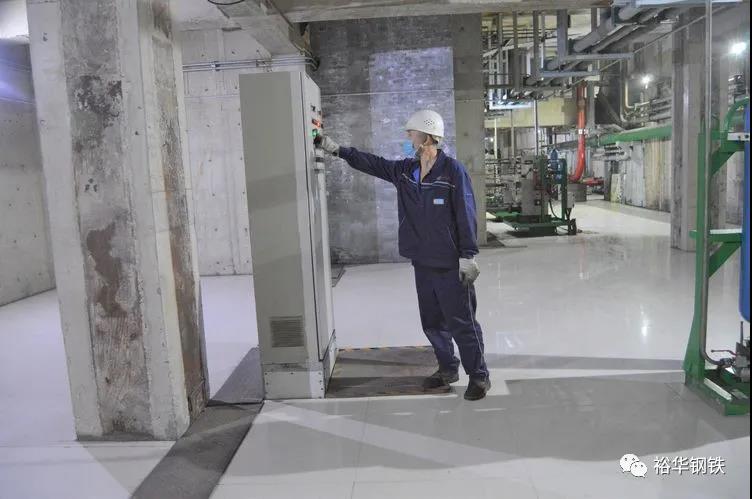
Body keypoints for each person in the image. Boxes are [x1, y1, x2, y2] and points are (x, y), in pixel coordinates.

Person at [316, 109, 491, 401]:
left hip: (450, 263)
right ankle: (448, 368)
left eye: (412, 133)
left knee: (462, 322)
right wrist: (338, 150)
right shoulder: (406, 171)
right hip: (422, 261)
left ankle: (479, 376)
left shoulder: (452, 172)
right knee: (432, 322)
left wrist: (468, 255)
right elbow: (374, 164)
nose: (408, 137)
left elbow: (466, 213)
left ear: (427, 136)